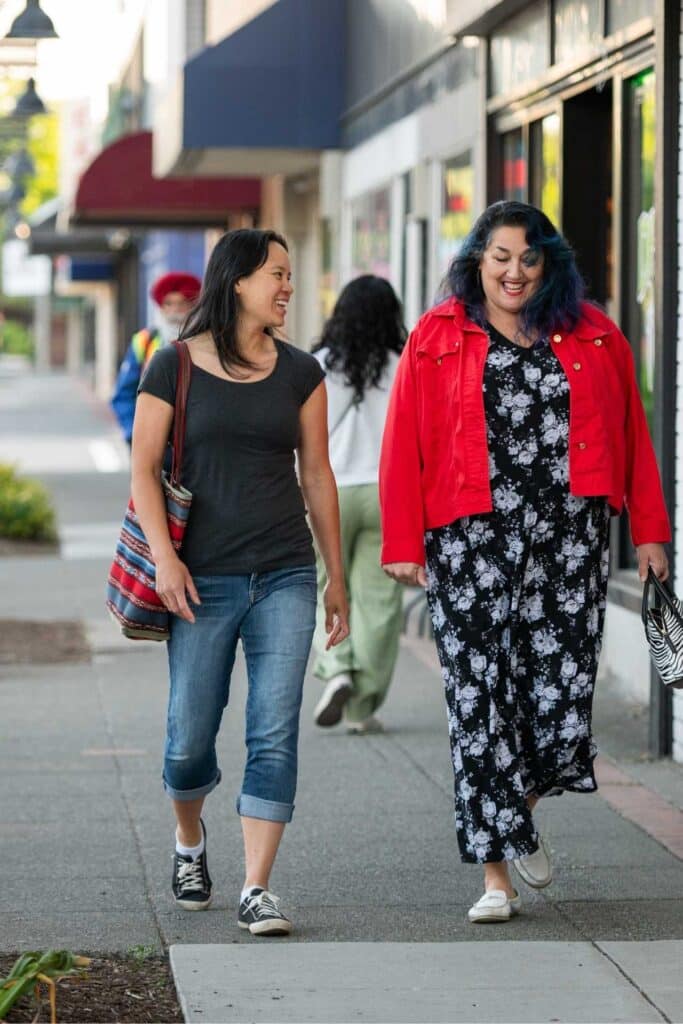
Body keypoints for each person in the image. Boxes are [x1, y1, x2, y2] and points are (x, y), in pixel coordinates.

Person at [379, 200, 670, 924]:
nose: (513, 271)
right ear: (477, 258)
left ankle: (516, 815)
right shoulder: (437, 333)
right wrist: (401, 542)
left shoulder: (594, 334)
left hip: (568, 542)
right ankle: (495, 877)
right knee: (477, 702)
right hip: (468, 538)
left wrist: (649, 531)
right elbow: (402, 438)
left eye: (528, 258)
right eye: (500, 256)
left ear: (549, 265)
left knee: (560, 709)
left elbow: (633, 433)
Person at [130, 229, 349, 936]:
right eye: (277, 275)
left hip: (284, 571)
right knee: (189, 732)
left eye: (290, 274)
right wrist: (165, 559)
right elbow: (143, 469)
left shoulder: (300, 372)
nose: (288, 286)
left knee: (273, 730)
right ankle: (190, 841)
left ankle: (258, 887)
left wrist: (335, 578)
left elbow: (316, 475)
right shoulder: (174, 366)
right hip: (201, 579)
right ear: (237, 281)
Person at [311, 276, 406, 734]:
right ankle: (362, 706)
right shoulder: (403, 365)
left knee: (325, 587)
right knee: (379, 600)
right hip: (384, 493)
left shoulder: (315, 366)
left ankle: (338, 669)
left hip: (325, 491)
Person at [111, 272, 201, 446]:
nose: (175, 310)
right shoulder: (144, 341)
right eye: (169, 304)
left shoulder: (207, 341)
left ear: (193, 306)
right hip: (153, 440)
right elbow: (124, 393)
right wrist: (133, 434)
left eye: (182, 303)